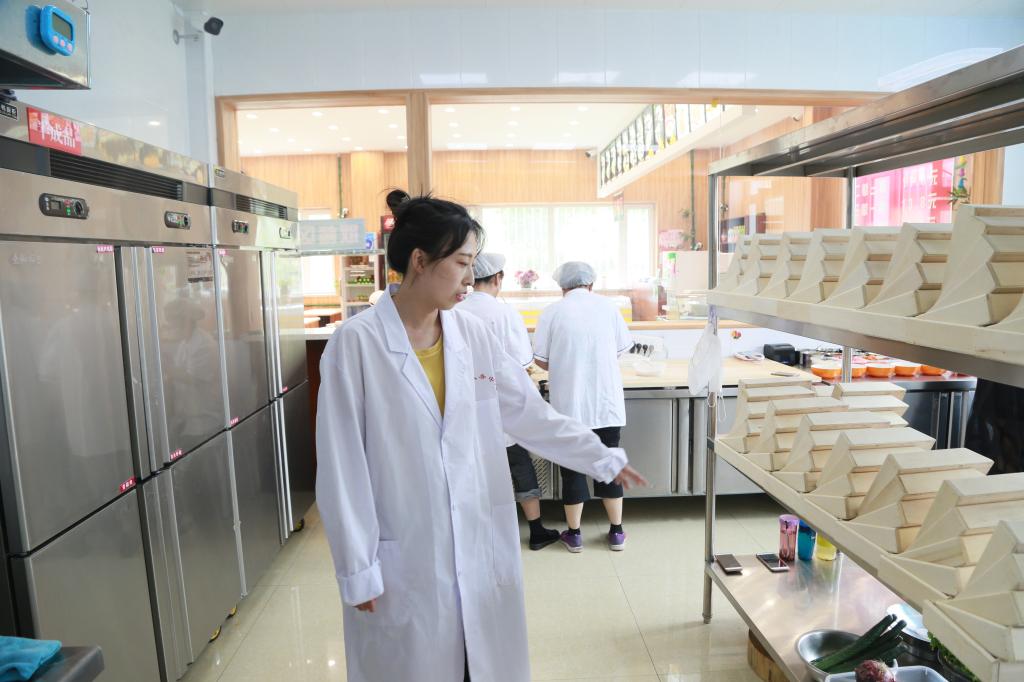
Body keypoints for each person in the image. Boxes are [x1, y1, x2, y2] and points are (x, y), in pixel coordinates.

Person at [316, 197, 646, 682]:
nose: (471, 278)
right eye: (461, 263)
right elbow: (342, 464)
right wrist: (357, 567)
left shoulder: (471, 334)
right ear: (420, 260)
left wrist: (599, 456)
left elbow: (529, 414)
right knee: (414, 665)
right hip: (405, 552)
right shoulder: (356, 344)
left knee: (483, 664)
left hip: (478, 537)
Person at [458, 252, 561, 550]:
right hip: (502, 403)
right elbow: (523, 361)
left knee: (473, 470)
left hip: (464, 403)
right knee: (519, 464)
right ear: (498, 278)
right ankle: (536, 531)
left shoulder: (454, 309)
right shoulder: (505, 314)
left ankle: (479, 534)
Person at [532, 261, 634, 553]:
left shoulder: (552, 312)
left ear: (562, 286)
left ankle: (575, 535)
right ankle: (616, 532)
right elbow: (621, 349)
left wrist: (565, 362)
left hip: (570, 407)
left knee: (573, 469)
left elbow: (540, 359)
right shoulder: (608, 308)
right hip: (606, 404)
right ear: (591, 283)